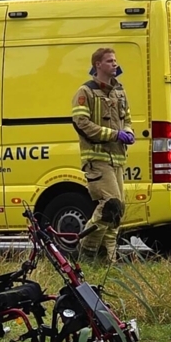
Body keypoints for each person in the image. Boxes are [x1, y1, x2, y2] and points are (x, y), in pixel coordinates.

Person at [71, 47, 134, 262]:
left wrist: (128, 132)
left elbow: (127, 119)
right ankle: (86, 251)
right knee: (110, 204)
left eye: (115, 60)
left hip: (117, 159)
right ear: (98, 64)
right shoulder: (85, 92)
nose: (114, 64)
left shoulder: (119, 92)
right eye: (109, 61)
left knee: (116, 212)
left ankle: (108, 259)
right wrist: (113, 134)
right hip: (96, 158)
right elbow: (81, 123)